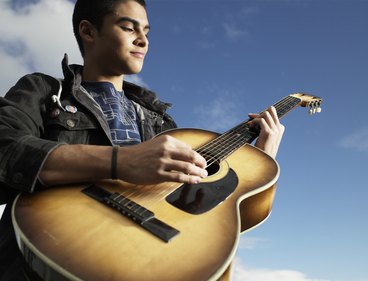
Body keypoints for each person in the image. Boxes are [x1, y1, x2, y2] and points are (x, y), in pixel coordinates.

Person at [0, 0, 285, 280]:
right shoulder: (44, 90)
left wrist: (261, 161)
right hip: (39, 261)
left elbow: (205, 218)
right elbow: (6, 148)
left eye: (147, 32)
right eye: (129, 28)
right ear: (88, 32)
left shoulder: (164, 124)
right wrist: (121, 161)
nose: (143, 41)